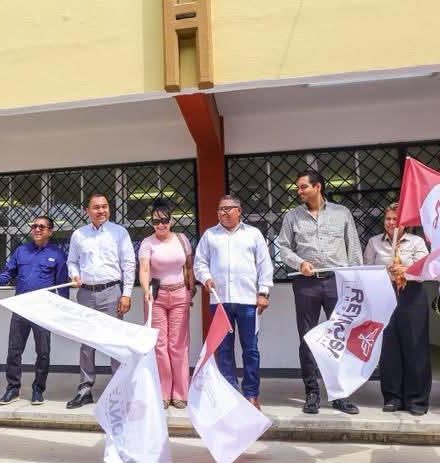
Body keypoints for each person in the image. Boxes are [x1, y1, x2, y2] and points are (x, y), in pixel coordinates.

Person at [276, 169, 364, 415]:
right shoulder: (292, 217)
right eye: (298, 187)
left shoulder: (342, 213)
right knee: (308, 338)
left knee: (339, 338)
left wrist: (357, 282)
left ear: (318, 187)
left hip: (337, 282)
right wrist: (299, 263)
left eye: (303, 186)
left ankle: (340, 395)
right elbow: (283, 247)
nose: (299, 191)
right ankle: (312, 393)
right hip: (307, 284)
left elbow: (353, 249)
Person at [194, 194, 274, 410]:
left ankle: (251, 394)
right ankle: (230, 393)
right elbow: (199, 263)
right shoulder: (210, 235)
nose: (223, 212)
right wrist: (205, 277)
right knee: (224, 349)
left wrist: (263, 292)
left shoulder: (253, 234)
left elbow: (264, 265)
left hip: (248, 300)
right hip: (220, 301)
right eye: (220, 209)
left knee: (251, 349)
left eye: (228, 208)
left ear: (239, 211)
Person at [0, 215, 70, 406]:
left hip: (43, 309)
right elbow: (8, 272)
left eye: (42, 227)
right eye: (34, 226)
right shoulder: (21, 251)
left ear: (50, 231)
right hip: (21, 307)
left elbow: (62, 285)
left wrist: (63, 310)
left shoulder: (57, 254)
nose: (37, 229)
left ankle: (38, 389)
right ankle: (12, 389)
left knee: (43, 352)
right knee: (14, 350)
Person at [66, 192, 136, 409]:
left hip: (111, 292)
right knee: (87, 343)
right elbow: (72, 261)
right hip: (86, 293)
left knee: (115, 341)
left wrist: (126, 293)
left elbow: (129, 264)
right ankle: (85, 389)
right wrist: (74, 275)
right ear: (87, 210)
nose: (101, 210)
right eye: (96, 207)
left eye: (105, 206)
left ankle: (118, 389)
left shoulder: (119, 232)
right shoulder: (79, 235)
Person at [363, 203, 431, 415]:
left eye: (396, 219)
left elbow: (426, 270)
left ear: (405, 223)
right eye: (388, 219)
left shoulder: (417, 241)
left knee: (415, 347)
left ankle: (417, 399)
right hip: (385, 295)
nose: (391, 223)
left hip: (412, 295)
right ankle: (393, 397)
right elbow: (367, 271)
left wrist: (406, 270)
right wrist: (385, 272)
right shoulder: (374, 242)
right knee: (389, 348)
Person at [138, 199, 195, 409]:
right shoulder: (147, 243)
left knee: (178, 344)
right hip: (157, 296)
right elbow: (144, 268)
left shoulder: (182, 239)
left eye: (164, 220)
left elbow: (189, 267)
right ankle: (163, 392)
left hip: (180, 294)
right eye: (156, 221)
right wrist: (146, 290)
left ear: (171, 220)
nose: (160, 225)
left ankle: (180, 392)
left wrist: (191, 289)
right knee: (160, 345)